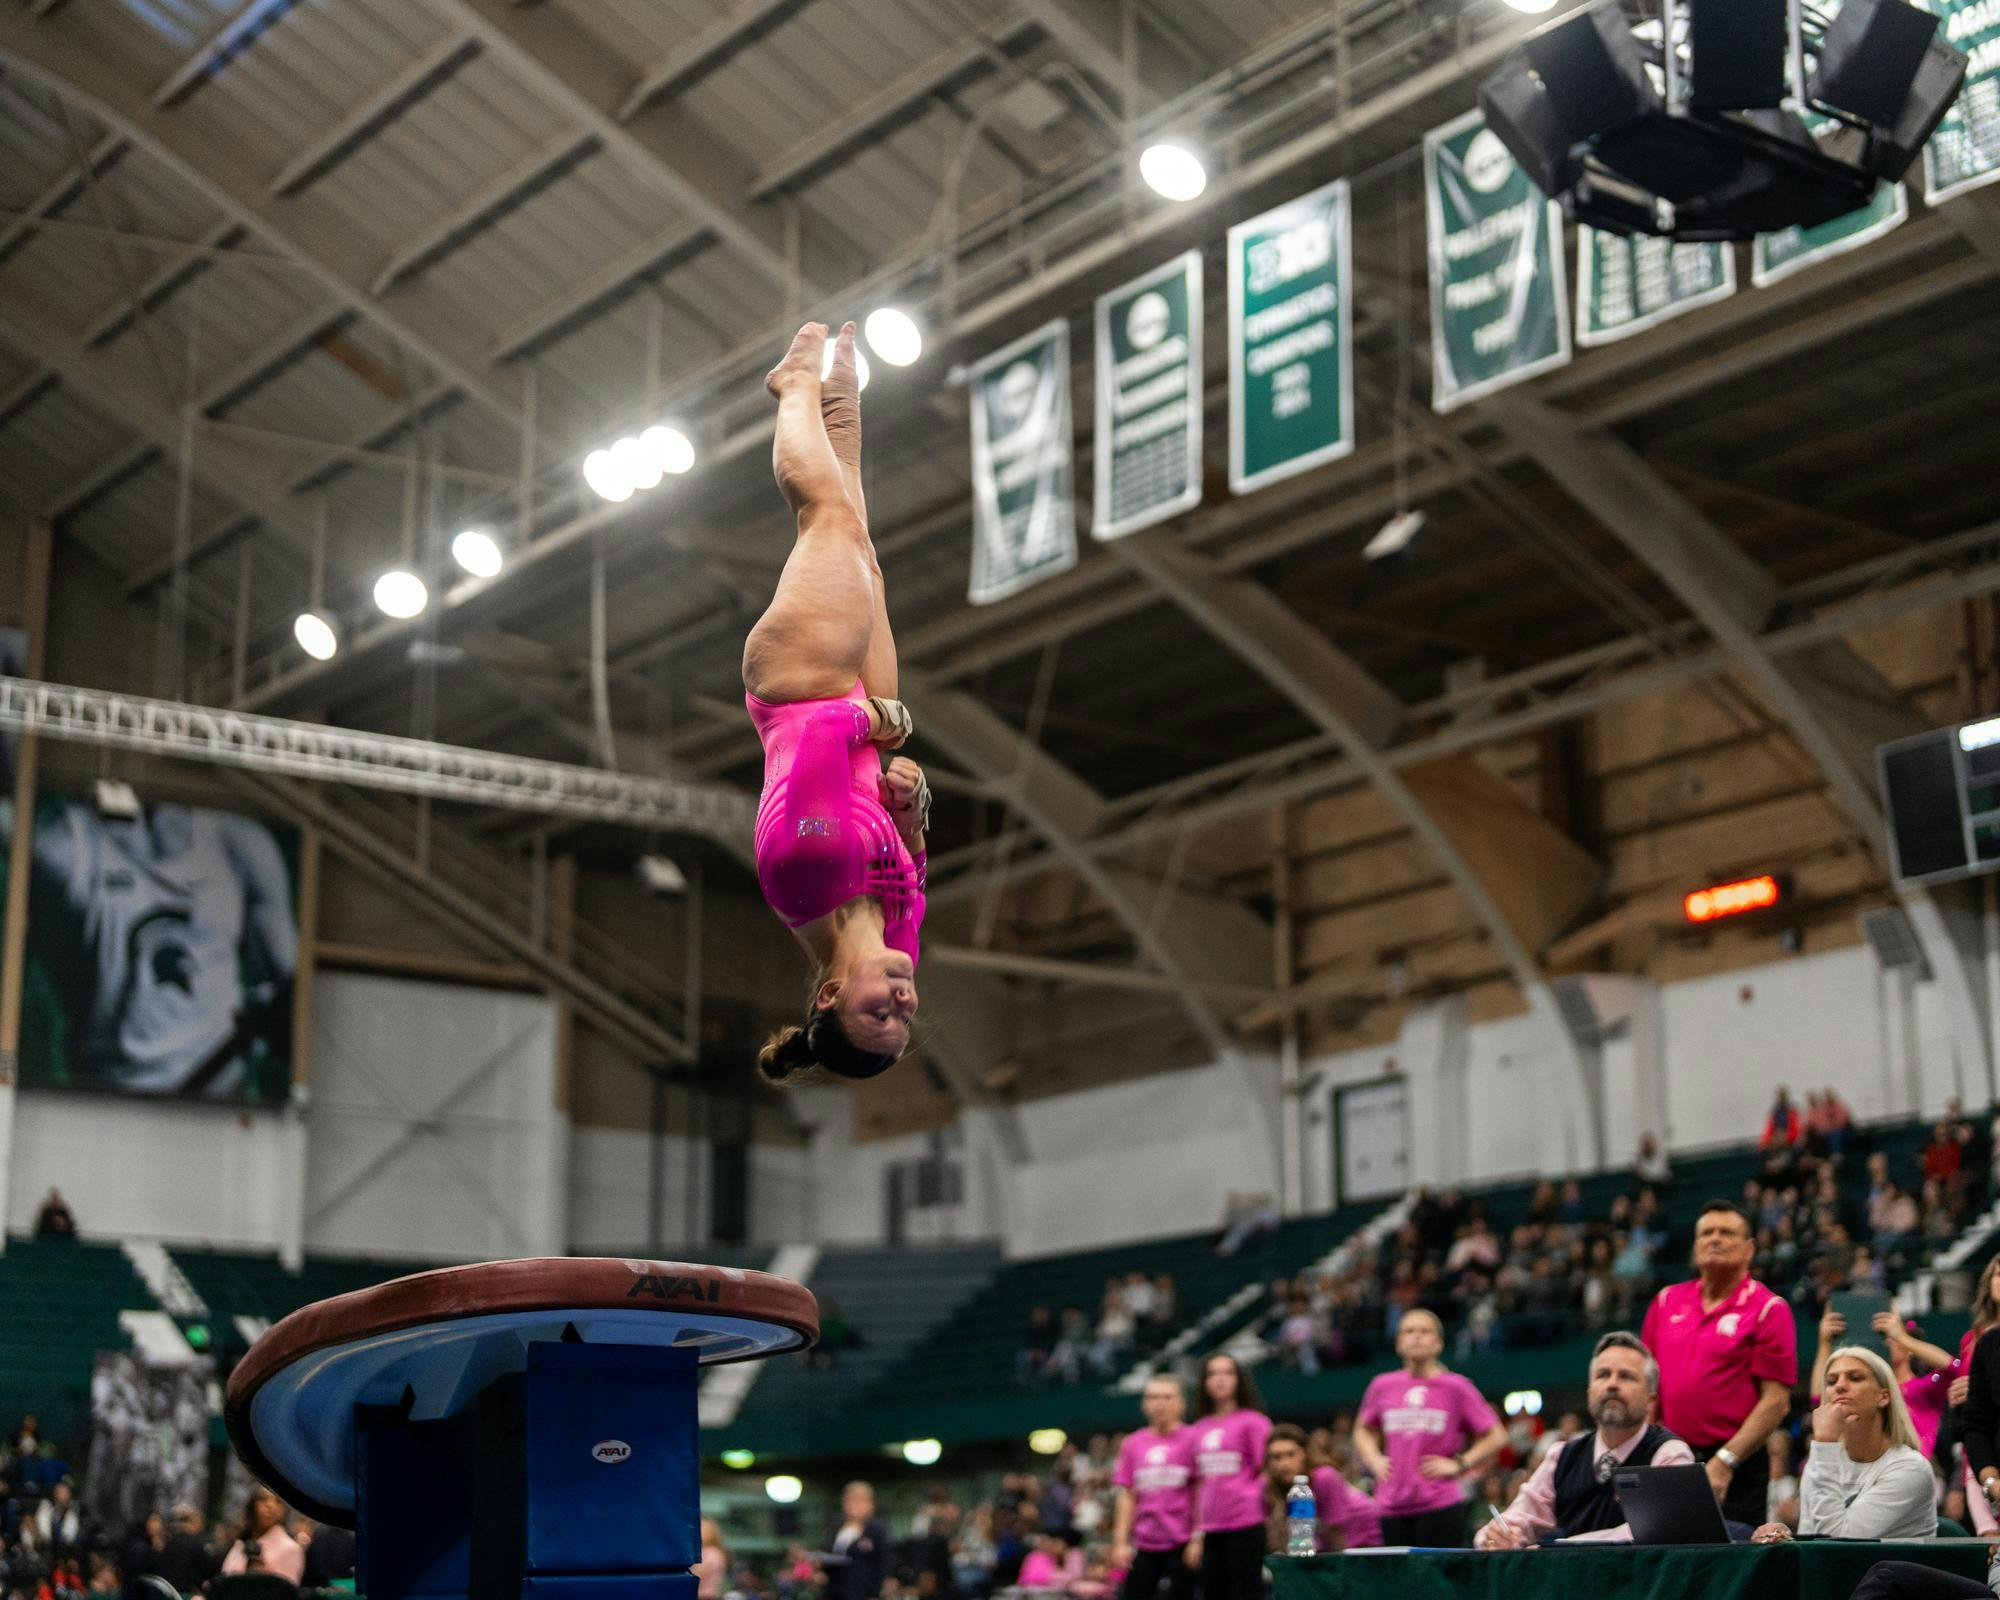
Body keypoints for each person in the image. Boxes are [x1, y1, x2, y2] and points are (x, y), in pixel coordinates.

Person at [746, 322, 929, 1086]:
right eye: (905, 1022)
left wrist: (885, 722)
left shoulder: (806, 871)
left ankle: (793, 386)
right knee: (864, 550)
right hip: (865, 719)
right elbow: (911, 856)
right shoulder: (900, 941)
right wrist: (911, 805)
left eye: (878, 1015)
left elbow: (822, 733)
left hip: (800, 685)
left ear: (828, 995)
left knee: (828, 522)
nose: (903, 1004)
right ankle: (840, 394)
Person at [0, 797, 298, 1095]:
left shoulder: (240, 842)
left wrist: (276, 1015)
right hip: (108, 1099)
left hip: (221, 1098)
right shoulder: (59, 845)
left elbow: (292, 997)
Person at [1641, 1200, 1797, 1527]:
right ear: (1695, 1246)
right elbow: (1648, 1389)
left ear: (1749, 1249)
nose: (1715, 1239)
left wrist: (1725, 1461)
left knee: (1731, 1551)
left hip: (1739, 1465)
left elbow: (1776, 1401)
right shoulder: (1666, 1301)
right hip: (1671, 1457)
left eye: (1726, 1233)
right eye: (1706, 1233)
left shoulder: (1768, 1308)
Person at [1476, 1332, 1695, 1548]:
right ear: (1590, 1393)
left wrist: (1558, 1547)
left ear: (1651, 1400)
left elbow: (1657, 1531)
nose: (1612, 1384)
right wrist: (1498, 1536)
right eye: (1603, 1375)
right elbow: (1515, 1519)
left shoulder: (1668, 1453)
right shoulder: (1562, 1456)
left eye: (1626, 1376)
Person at [1353, 1308, 1508, 1546]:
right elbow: (1362, 1429)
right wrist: (1374, 1460)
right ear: (1398, 1343)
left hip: (1440, 1503)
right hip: (1390, 1504)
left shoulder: (1456, 1387)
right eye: (1409, 1331)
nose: (1416, 1336)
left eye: (1425, 1331)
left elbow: (1496, 1435)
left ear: (1438, 1343)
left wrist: (1460, 1464)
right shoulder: (1382, 1385)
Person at [1751, 1345, 1935, 1543]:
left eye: (1855, 1378)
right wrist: (1785, 1537)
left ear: (1883, 1397)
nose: (1840, 1386)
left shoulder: (1911, 1468)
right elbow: (1812, 1538)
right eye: (1831, 1381)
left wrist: (1825, 1443)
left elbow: (1836, 1544)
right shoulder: (1822, 1459)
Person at [1186, 1354, 1271, 1600]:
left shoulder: (1254, 1422)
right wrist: (1197, 1533)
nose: (1220, 1379)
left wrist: (1252, 1499)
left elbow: (1267, 1470)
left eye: (1227, 1373)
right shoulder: (1198, 1428)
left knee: (1248, 1591)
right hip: (1211, 1528)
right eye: (1212, 1374)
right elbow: (1198, 1483)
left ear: (1239, 1380)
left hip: (1247, 1524)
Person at [1111, 1376, 1196, 1600]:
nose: (1160, 1403)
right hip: (1144, 1543)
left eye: (1167, 1397)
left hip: (1184, 1542)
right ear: (1144, 1404)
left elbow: (1202, 1493)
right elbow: (1126, 1496)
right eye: (1153, 1397)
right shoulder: (1132, 1443)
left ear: (1181, 1403)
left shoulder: (1194, 1439)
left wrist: (1198, 1539)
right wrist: (1120, 1543)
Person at [1260, 1425, 1379, 1553]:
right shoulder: (1271, 1487)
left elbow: (1336, 1532)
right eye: (1277, 1457)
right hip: (1322, 1546)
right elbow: (1281, 1543)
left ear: (1305, 1453)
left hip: (1362, 1543)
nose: (1284, 1464)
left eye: (1291, 1454)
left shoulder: (1325, 1477)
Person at [220, 1485, 305, 1585]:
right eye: (263, 1499)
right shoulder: (241, 1543)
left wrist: (264, 1572)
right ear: (252, 1505)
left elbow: (287, 1590)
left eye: (278, 1501)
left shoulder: (291, 1549)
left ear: (284, 1510)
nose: (270, 1505)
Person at [822, 1481, 890, 1600]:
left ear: (870, 1504)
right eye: (850, 1500)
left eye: (860, 1500)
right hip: (835, 1592)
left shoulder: (876, 1529)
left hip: (862, 1592)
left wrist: (875, 1593)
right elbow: (830, 1557)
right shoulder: (835, 1527)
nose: (854, 1505)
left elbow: (882, 1563)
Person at [697, 1518, 728, 1600]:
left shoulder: (711, 1553)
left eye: (702, 1529)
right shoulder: (713, 1552)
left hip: (704, 1596)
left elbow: (697, 1574)